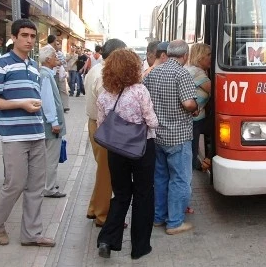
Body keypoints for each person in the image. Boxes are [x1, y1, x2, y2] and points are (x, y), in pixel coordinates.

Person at [0, 19, 55, 247]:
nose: (29, 40)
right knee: (14, 183)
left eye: (33, 36)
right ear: (14, 37)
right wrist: (20, 104)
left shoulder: (34, 66)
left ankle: (32, 234)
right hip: (13, 136)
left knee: (36, 186)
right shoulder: (1, 64)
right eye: (24, 35)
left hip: (36, 133)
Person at [96, 49, 158, 260]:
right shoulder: (139, 91)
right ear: (134, 68)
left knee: (121, 194)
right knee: (143, 194)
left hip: (116, 150)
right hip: (142, 148)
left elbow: (101, 123)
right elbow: (152, 121)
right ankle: (139, 248)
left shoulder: (105, 94)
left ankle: (107, 239)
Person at [143, 39, 198, 235]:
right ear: (185, 56)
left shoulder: (153, 72)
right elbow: (189, 103)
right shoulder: (182, 73)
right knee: (180, 179)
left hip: (157, 135)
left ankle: (158, 217)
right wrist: (196, 107)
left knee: (160, 177)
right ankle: (174, 222)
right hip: (178, 136)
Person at [84, 38, 126, 227]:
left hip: (96, 124)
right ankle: (103, 215)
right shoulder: (104, 74)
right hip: (104, 127)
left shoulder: (96, 69)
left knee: (103, 170)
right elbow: (108, 107)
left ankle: (94, 208)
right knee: (107, 172)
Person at [38, 45, 66, 199]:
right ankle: (49, 187)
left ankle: (48, 184)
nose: (57, 58)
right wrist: (54, 121)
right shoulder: (46, 76)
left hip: (48, 123)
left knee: (48, 156)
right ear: (48, 60)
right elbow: (47, 100)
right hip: (51, 125)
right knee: (51, 157)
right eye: (55, 56)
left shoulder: (47, 74)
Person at [186, 43, 212, 171]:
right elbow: (216, 91)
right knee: (192, 150)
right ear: (200, 57)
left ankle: (200, 163)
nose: (211, 58)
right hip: (194, 120)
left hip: (197, 118)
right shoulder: (197, 73)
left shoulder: (195, 70)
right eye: (208, 55)